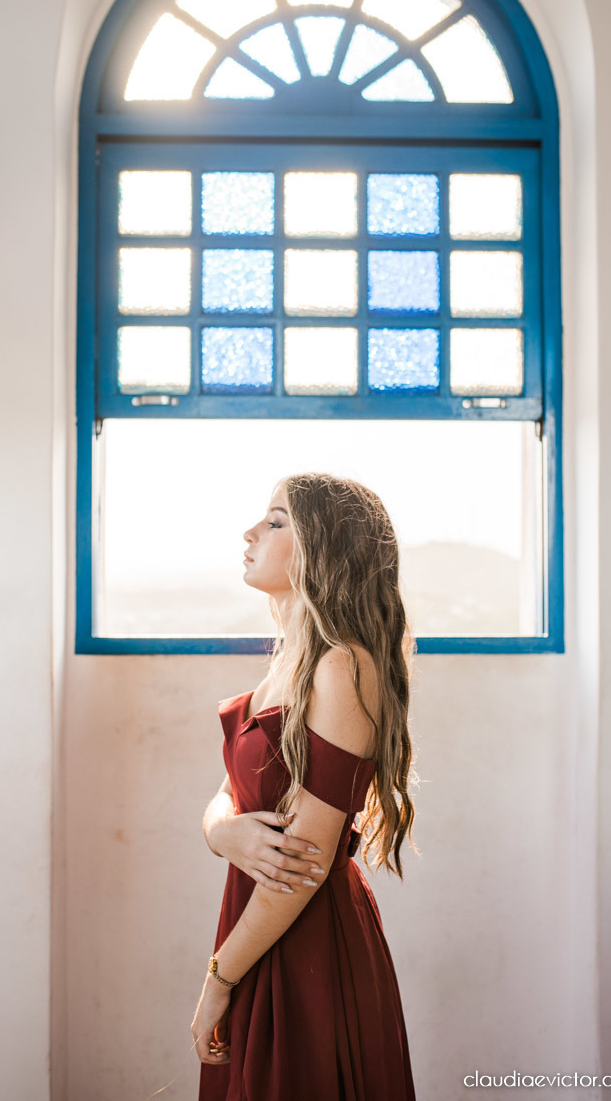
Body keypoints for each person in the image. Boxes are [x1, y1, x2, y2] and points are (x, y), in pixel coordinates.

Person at [192, 471, 419, 1100]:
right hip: (257, 928)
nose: (250, 533)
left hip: (306, 939)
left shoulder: (342, 664)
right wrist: (221, 833)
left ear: (324, 544)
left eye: (275, 521)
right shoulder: (287, 661)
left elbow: (304, 864)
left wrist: (218, 979)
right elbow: (228, 795)